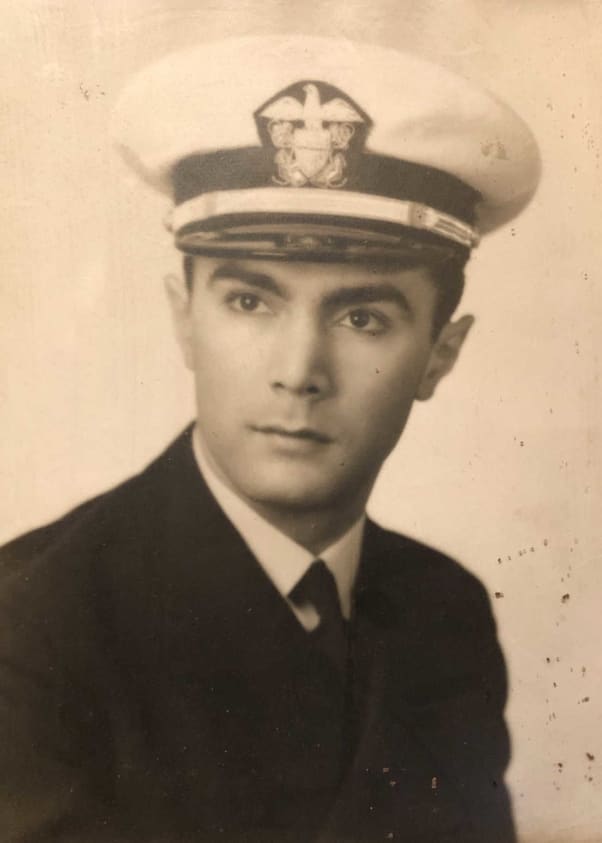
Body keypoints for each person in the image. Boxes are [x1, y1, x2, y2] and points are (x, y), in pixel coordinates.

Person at [0, 35, 540, 843]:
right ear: (185, 319)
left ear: (440, 354)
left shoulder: (442, 611)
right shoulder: (35, 628)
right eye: (250, 303)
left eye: (363, 317)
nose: (299, 372)